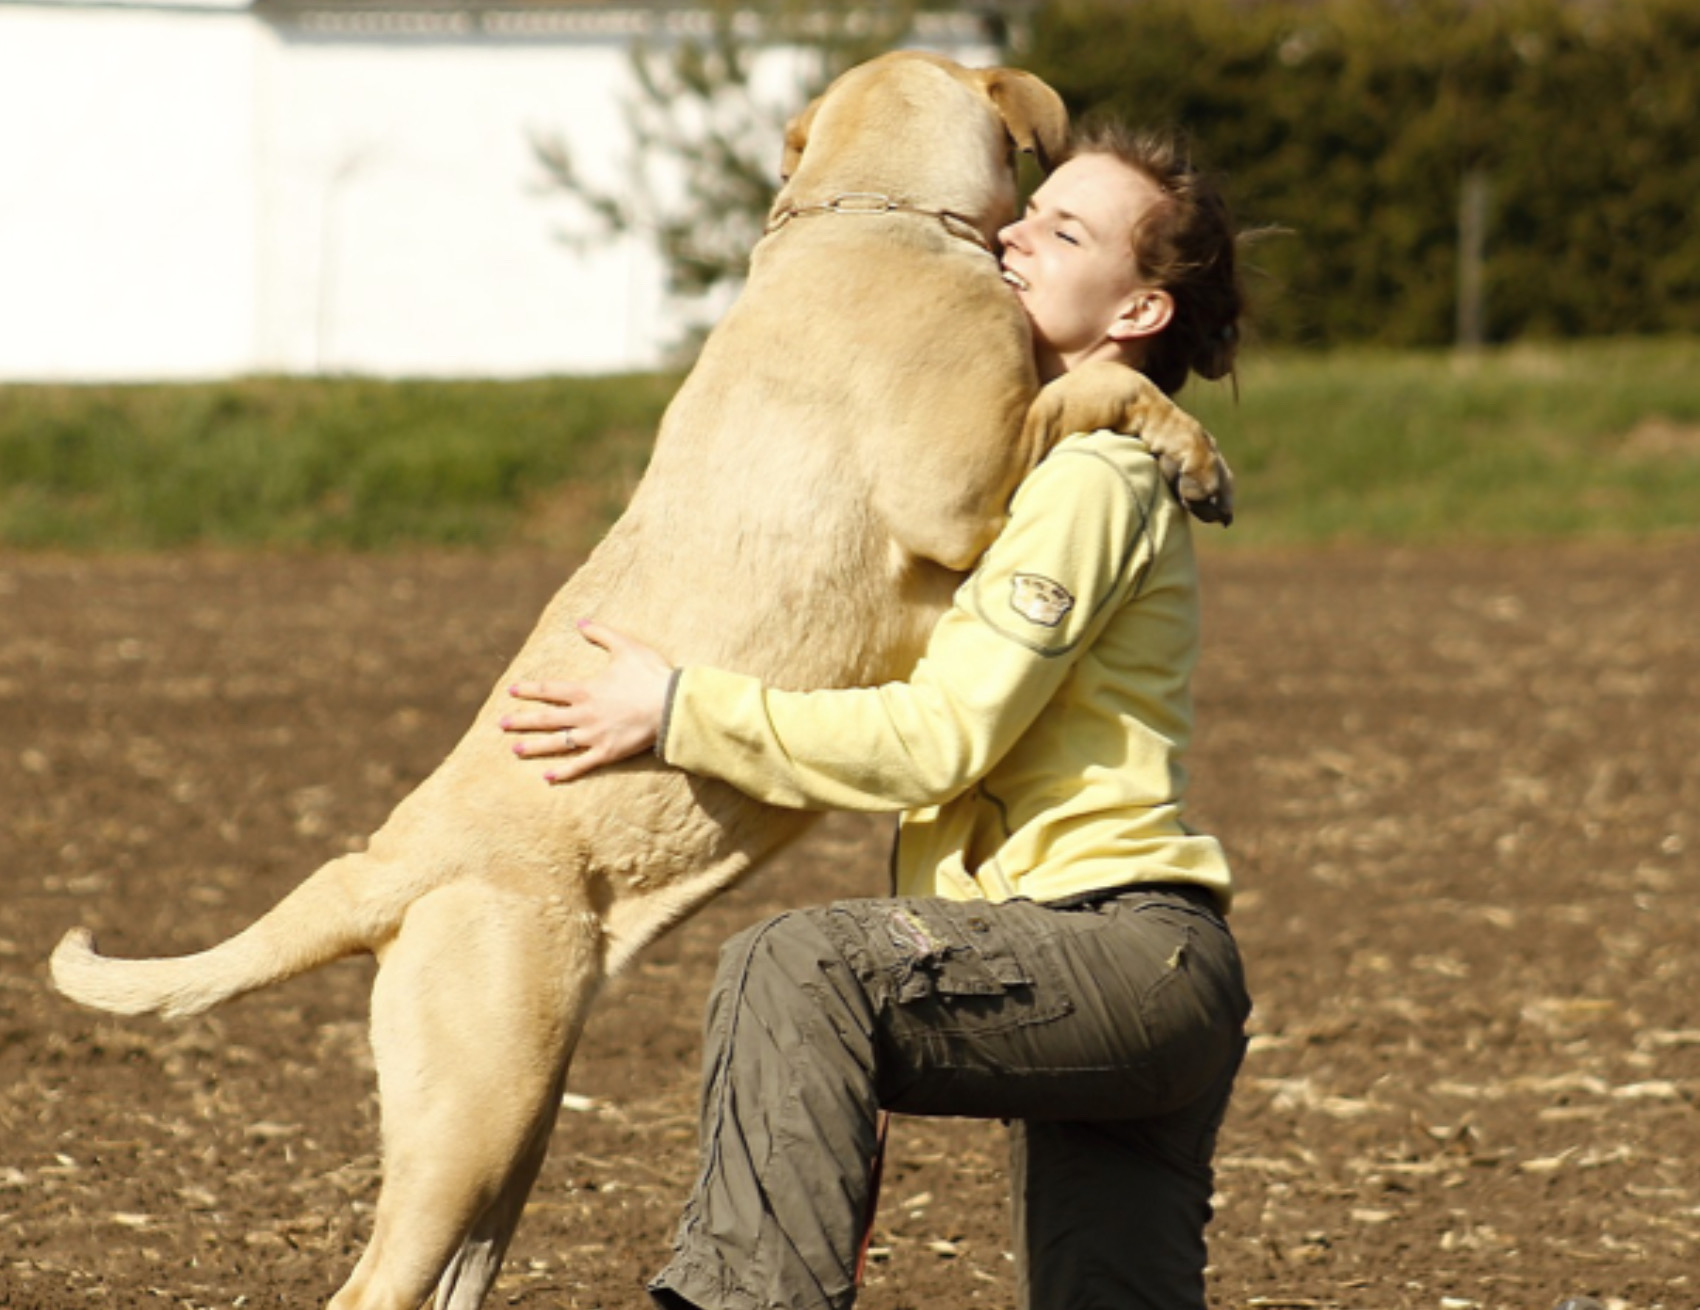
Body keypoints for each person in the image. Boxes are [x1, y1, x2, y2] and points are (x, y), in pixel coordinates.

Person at [501, 120, 1252, 1310]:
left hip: (1113, 947)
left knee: (795, 969)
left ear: (1137, 315)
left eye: (1061, 231)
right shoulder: (1036, 469)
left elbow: (937, 739)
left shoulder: (1091, 479)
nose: (1011, 230)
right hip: (1140, 979)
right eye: (1026, 209)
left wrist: (679, 708)